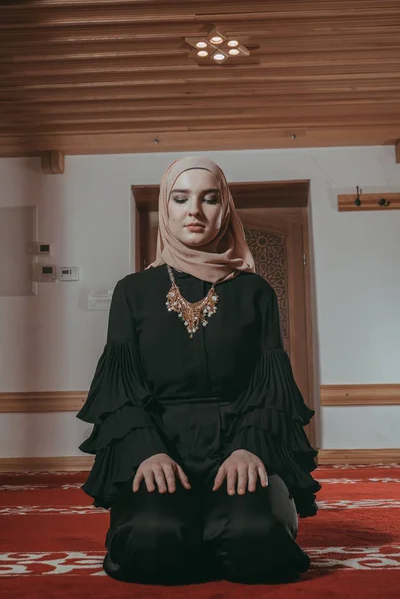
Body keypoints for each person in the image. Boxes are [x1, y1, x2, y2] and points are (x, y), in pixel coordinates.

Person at [76, 156, 321, 584]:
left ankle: (224, 528)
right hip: (160, 447)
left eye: (209, 199)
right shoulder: (132, 292)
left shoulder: (255, 292)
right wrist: (147, 451)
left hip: (240, 445)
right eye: (180, 198)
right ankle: (197, 532)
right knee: (152, 541)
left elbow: (270, 386)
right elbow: (122, 387)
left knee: (256, 540)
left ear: (224, 208)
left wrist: (249, 447)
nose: (194, 211)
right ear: (165, 208)